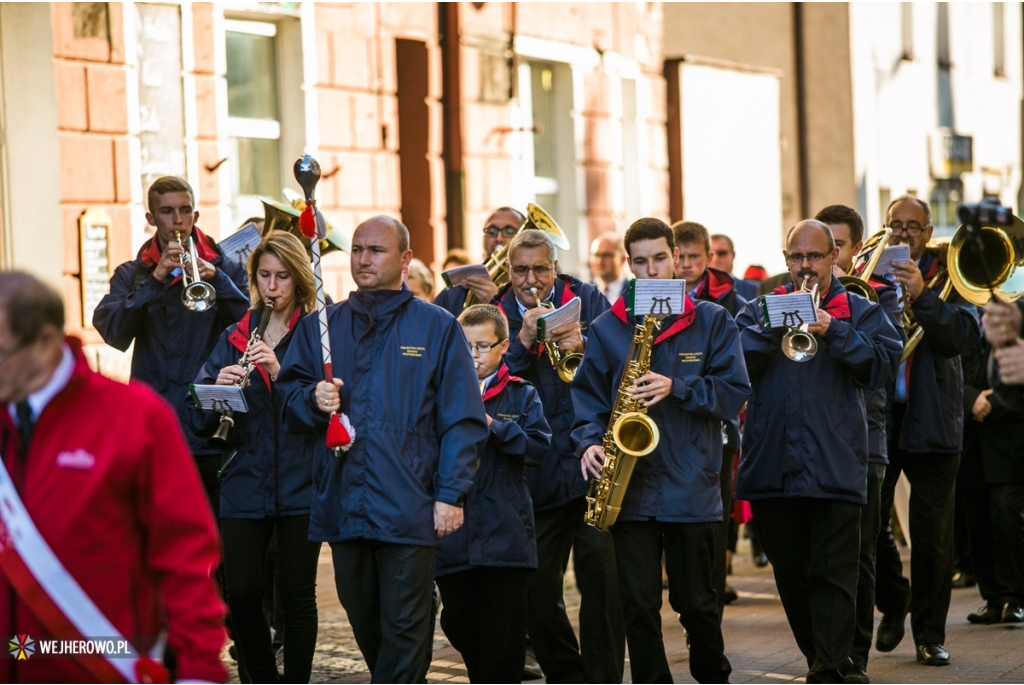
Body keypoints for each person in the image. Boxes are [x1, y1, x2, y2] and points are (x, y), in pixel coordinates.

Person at [277, 216, 488, 683]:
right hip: (343, 502)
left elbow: (462, 418)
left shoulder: (436, 327)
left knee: (406, 626)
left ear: (405, 260)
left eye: (376, 250)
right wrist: (312, 399)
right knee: (365, 619)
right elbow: (288, 400)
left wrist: (450, 492)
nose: (364, 259)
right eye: (357, 250)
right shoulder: (323, 327)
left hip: (409, 504)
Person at [0, 271, 225, 683]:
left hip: (103, 666)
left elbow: (185, 554)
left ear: (46, 344)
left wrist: (200, 671)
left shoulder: (135, 418)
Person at [573, 218, 750, 683]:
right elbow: (588, 400)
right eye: (640, 261)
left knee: (696, 602)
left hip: (691, 485)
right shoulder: (608, 327)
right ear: (629, 265)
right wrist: (589, 442)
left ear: (676, 257)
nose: (651, 270)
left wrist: (680, 387)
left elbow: (734, 392)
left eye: (659, 258)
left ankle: (712, 671)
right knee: (638, 604)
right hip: (628, 488)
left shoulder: (713, 320)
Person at [735, 220, 902, 683]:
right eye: (796, 257)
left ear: (833, 258)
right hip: (773, 465)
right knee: (792, 578)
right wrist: (774, 327)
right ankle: (825, 659)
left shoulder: (859, 310)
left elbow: (883, 367)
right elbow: (733, 365)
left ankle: (828, 669)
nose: (805, 266)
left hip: (836, 462)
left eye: (814, 256)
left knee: (834, 575)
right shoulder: (758, 309)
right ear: (786, 259)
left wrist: (832, 328)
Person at [492, 229, 624, 682]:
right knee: (536, 588)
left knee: (602, 583)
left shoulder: (587, 299)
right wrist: (521, 343)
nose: (531, 279)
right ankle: (569, 673)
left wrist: (588, 349)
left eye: (540, 269)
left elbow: (625, 365)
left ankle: (602, 676)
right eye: (521, 270)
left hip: (591, 462)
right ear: (508, 270)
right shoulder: (496, 312)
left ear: (555, 267)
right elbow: (483, 383)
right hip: (535, 470)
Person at [190, 232, 321, 683]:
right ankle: (261, 676)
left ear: (299, 280)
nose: (272, 286)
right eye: (264, 275)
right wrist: (218, 393)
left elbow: (327, 407)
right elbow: (199, 416)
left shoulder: (317, 333)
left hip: (302, 480)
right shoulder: (235, 335)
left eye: (283, 276)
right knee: (241, 592)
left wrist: (279, 374)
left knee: (297, 596)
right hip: (245, 478)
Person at [93, 176, 250, 515]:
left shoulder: (227, 270)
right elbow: (113, 331)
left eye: (184, 211)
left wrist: (219, 281)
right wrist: (155, 280)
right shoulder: (132, 274)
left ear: (195, 214)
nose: (177, 221)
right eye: (167, 212)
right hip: (155, 429)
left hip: (211, 429)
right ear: (151, 218)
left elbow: (251, 329)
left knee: (221, 546)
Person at [873, 196, 979, 666]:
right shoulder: (870, 272)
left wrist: (922, 294)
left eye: (912, 226)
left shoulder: (955, 275)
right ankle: (895, 600)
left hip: (934, 418)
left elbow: (960, 337)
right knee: (869, 525)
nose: (902, 233)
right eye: (895, 224)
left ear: (928, 230)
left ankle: (929, 634)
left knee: (933, 537)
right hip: (881, 419)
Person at [435, 304, 552, 683]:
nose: (473, 356)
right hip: (456, 535)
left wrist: (493, 426)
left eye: (483, 346)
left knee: (504, 639)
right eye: (465, 346)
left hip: (505, 533)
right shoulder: (440, 395)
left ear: (504, 347)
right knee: (457, 620)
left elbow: (538, 449)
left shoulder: (522, 394)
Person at [815, 204, 905, 682]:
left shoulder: (877, 297)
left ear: (853, 248)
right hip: (817, 439)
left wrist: (843, 316)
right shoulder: (797, 295)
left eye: (838, 245)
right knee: (828, 552)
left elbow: (884, 364)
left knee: (862, 551)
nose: (826, 256)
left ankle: (855, 654)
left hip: (864, 437)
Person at [672, 220, 748, 613]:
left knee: (714, 526)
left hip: (716, 426)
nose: (685, 264)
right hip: (669, 431)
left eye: (694, 257)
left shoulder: (734, 297)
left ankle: (710, 607)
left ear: (709, 257)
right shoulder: (650, 300)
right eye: (679, 257)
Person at [960, 304, 1024, 626]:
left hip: (1007, 434)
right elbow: (949, 367)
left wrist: (991, 402)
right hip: (972, 438)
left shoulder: (1018, 315)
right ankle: (993, 597)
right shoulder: (962, 314)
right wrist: (971, 397)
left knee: (1006, 516)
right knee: (978, 522)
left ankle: (1015, 596)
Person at [434, 207, 526, 317]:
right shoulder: (457, 291)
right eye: (492, 231)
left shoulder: (532, 288)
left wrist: (497, 303)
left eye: (509, 231)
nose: (499, 238)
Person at [709, 233, 758, 300]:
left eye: (722, 253)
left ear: (733, 255)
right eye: (711, 254)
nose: (715, 259)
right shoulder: (693, 291)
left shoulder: (753, 290)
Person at [589, 231, 629, 304]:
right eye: (596, 255)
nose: (599, 261)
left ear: (622, 259)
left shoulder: (634, 293)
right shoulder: (584, 293)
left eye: (606, 255)